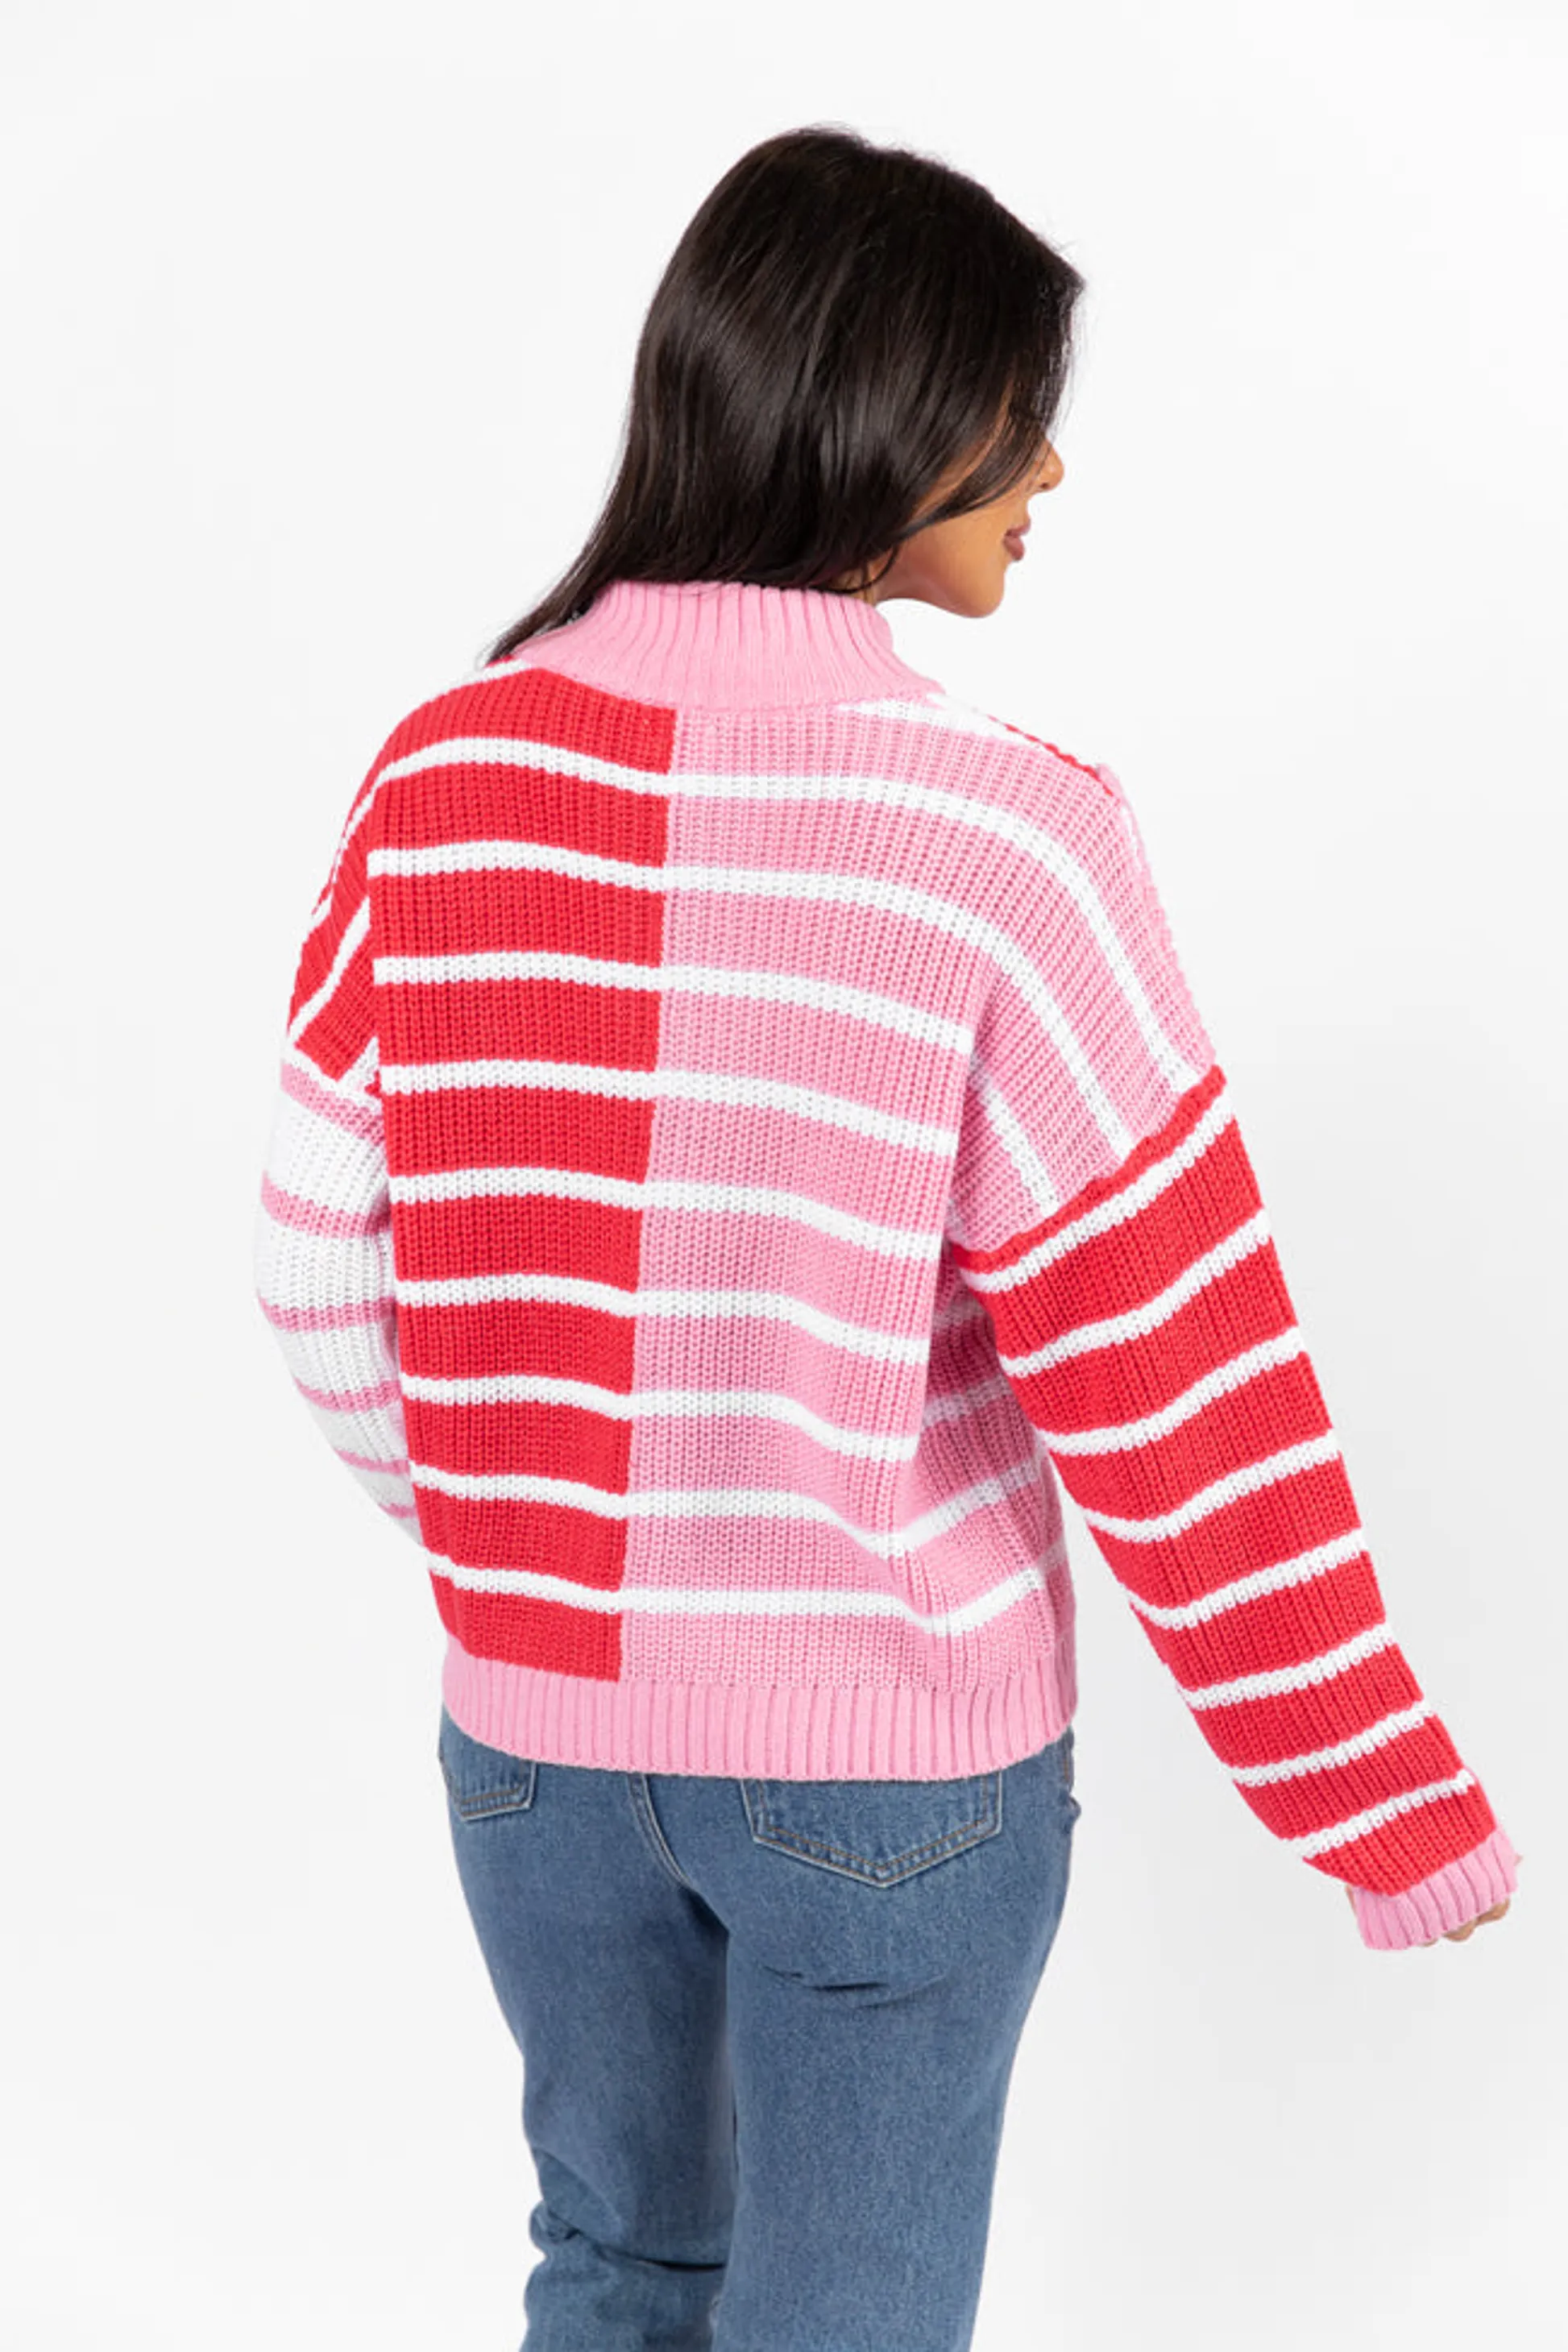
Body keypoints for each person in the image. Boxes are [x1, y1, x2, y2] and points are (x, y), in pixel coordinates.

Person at [254, 122, 1519, 2352]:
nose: (1051, 471)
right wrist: (1386, 1804)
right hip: (890, 1776)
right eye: (1019, 413)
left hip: (532, 1754)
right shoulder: (1004, 836)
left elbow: (316, 1264)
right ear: (887, 409)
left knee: (615, 2266)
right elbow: (1176, 1379)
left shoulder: (436, 778)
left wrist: (530, 1559)